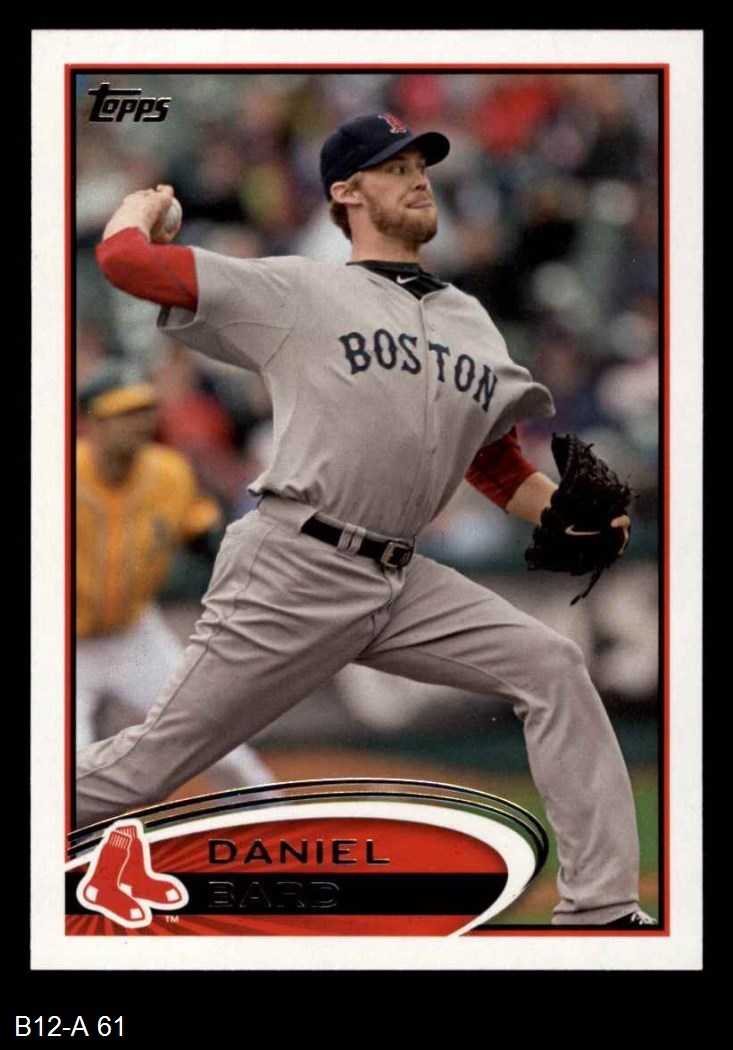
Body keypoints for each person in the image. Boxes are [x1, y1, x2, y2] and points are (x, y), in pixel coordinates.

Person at [76, 113, 655, 927]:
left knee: (551, 665)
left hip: (401, 578)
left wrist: (565, 515)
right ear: (346, 193)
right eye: (394, 168)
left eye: (420, 165)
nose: (417, 179)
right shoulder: (297, 290)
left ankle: (600, 910)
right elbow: (127, 262)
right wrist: (137, 210)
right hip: (296, 563)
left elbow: (493, 465)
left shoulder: (469, 318)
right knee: (141, 770)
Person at [76, 361, 273, 792]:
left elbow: (205, 535)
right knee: (70, 767)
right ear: (92, 424)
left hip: (135, 634)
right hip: (64, 646)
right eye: (124, 412)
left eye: (144, 408)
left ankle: (278, 820)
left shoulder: (168, 472)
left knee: (217, 743)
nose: (139, 421)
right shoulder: (56, 478)